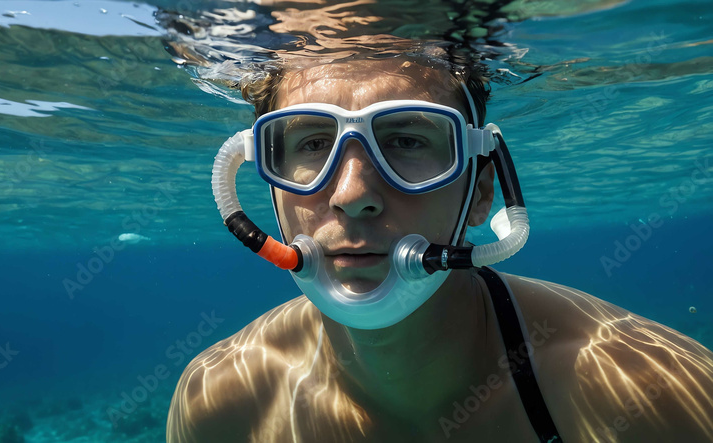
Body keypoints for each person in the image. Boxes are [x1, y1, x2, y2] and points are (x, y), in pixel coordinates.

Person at [166, 48, 713, 442]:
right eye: (312, 143)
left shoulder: (647, 393)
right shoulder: (222, 403)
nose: (353, 195)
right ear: (267, 185)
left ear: (480, 193)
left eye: (406, 140)